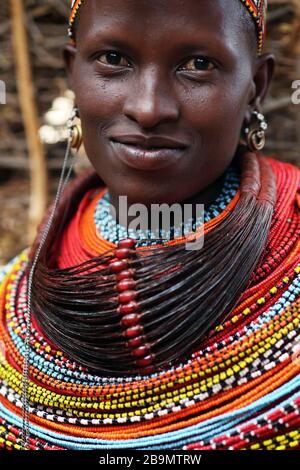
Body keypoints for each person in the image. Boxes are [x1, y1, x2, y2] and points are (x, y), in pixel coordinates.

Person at [0, 0, 299, 451]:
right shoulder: (14, 295)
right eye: (113, 59)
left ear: (255, 86)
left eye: (198, 64)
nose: (148, 108)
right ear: (72, 71)